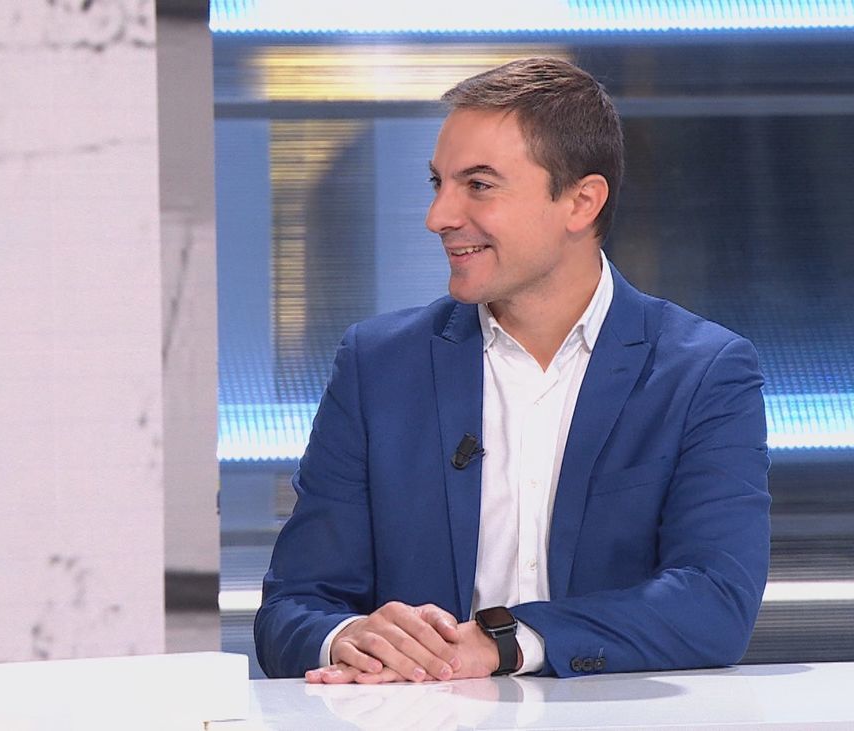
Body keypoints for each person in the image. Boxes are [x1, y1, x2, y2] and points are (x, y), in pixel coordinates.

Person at [254, 57, 770, 683]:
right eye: (438, 182)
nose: (438, 216)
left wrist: (507, 643)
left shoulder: (702, 372)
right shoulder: (378, 365)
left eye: (478, 185)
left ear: (581, 202)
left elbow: (714, 603)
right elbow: (292, 609)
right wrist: (348, 639)